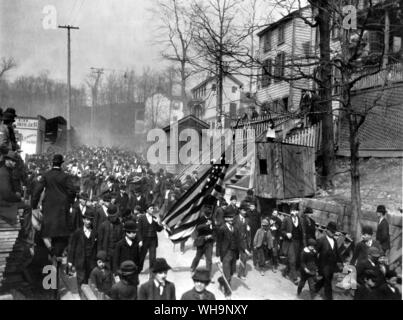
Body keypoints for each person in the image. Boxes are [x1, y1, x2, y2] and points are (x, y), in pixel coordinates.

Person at [31, 154, 77, 257]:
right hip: (62, 210)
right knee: (60, 236)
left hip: (49, 208)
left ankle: (51, 254)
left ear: (53, 163)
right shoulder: (65, 176)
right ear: (61, 164)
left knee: (48, 231)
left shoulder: (46, 175)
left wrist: (34, 205)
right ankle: (57, 256)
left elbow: (37, 191)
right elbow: (73, 191)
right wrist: (69, 202)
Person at [67, 207, 98, 290]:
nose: (88, 222)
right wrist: (70, 261)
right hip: (80, 260)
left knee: (91, 282)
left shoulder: (95, 232)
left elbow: (97, 247)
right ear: (83, 220)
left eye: (90, 220)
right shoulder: (78, 232)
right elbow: (72, 247)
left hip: (91, 261)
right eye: (86, 219)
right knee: (81, 281)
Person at [216, 210, 243, 299]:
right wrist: (217, 256)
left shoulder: (235, 228)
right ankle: (228, 293)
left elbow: (238, 241)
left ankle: (221, 280)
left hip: (234, 253)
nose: (231, 219)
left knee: (231, 273)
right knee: (227, 275)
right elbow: (218, 242)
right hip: (226, 253)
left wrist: (239, 255)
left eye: (232, 218)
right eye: (229, 218)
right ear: (225, 219)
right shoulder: (222, 228)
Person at [314, 221, 342, 300]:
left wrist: (341, 263)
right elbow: (315, 253)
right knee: (328, 282)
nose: (333, 233)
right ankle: (329, 297)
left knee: (326, 279)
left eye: (334, 232)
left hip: (331, 266)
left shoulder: (334, 241)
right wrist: (316, 265)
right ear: (327, 230)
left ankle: (315, 288)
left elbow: (337, 253)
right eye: (332, 231)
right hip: (323, 265)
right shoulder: (321, 240)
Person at [281, 202, 305, 284]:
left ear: (297, 211)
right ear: (290, 211)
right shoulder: (286, 219)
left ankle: (285, 272)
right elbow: (282, 231)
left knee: (295, 259)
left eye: (295, 210)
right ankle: (295, 278)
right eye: (292, 210)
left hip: (298, 243)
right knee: (292, 260)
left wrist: (304, 244)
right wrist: (286, 234)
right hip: (290, 242)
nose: (293, 212)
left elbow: (303, 233)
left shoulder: (301, 220)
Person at [137, 204, 164, 272]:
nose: (153, 210)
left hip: (153, 240)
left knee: (152, 257)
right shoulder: (141, 218)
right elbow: (139, 230)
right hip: (144, 240)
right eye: (151, 208)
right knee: (142, 256)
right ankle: (139, 269)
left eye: (153, 208)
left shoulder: (154, 218)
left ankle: (152, 271)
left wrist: (159, 223)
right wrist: (140, 240)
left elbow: (159, 229)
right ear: (147, 210)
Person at [190, 208, 215, 276]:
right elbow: (197, 228)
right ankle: (192, 268)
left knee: (209, 258)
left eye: (210, 214)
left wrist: (212, 235)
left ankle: (208, 274)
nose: (209, 215)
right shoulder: (201, 219)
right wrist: (206, 224)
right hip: (201, 241)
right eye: (208, 214)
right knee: (198, 257)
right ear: (205, 213)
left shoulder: (212, 219)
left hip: (209, 242)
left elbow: (214, 229)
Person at [233, 204, 251, 280]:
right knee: (233, 256)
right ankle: (231, 270)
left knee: (244, 257)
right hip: (235, 240)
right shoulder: (235, 218)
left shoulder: (247, 219)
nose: (244, 212)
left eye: (245, 210)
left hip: (244, 241)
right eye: (243, 210)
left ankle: (241, 274)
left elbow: (249, 232)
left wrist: (248, 229)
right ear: (240, 210)